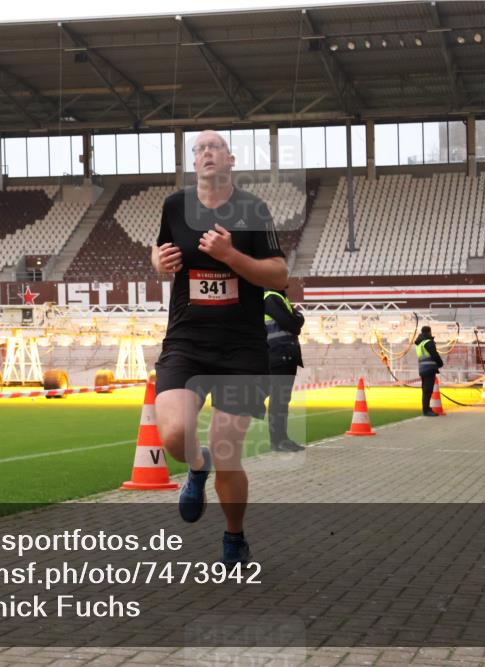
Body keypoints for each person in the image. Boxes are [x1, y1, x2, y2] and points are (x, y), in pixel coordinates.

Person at [151, 129, 287, 566]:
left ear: (229, 159)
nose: (206, 153)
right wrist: (159, 263)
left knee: (229, 451)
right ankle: (195, 464)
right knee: (173, 434)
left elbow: (278, 275)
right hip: (186, 342)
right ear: (195, 163)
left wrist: (231, 256)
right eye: (199, 149)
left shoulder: (253, 209)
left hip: (241, 349)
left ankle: (234, 538)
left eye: (214, 147)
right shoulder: (175, 207)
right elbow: (159, 256)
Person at [264, 288, 305, 452]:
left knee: (281, 401)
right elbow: (294, 324)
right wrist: (296, 319)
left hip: (284, 355)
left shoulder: (279, 297)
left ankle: (282, 439)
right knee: (279, 401)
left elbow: (297, 320)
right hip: (279, 354)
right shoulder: (271, 297)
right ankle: (278, 440)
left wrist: (296, 319)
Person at [415, 325, 444, 416]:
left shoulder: (419, 344)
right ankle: (426, 410)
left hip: (422, 369)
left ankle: (426, 408)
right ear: (429, 332)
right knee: (428, 390)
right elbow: (434, 355)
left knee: (425, 390)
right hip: (430, 369)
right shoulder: (428, 342)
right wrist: (440, 364)